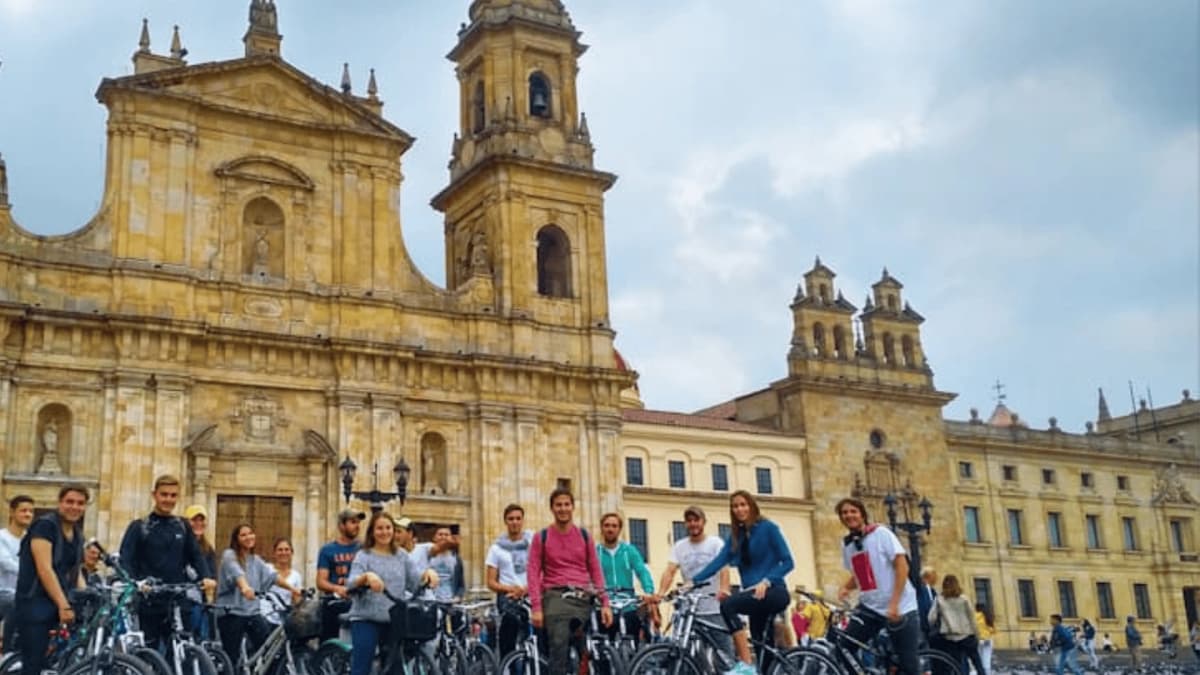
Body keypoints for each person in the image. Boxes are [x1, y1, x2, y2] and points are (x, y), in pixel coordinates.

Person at [693, 490, 794, 675]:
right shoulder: (736, 537)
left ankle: (745, 664)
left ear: (751, 506)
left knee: (728, 605)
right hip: (755, 596)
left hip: (774, 591)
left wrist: (767, 581)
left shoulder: (768, 528)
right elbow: (718, 561)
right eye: (735, 506)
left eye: (743, 505)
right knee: (763, 650)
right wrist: (693, 581)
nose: (739, 509)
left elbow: (788, 562)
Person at [118, 475, 217, 649]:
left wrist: (206, 576)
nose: (168, 499)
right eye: (164, 494)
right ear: (154, 495)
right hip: (149, 601)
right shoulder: (139, 527)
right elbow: (126, 560)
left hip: (178, 601)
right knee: (150, 653)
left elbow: (196, 555)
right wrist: (136, 583)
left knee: (182, 652)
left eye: (173, 495)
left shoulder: (183, 526)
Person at [526, 487, 611, 675]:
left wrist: (605, 602)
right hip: (556, 595)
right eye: (558, 505)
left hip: (583, 595)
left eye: (566, 504)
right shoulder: (541, 537)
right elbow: (532, 573)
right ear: (552, 508)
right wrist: (536, 607)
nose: (563, 509)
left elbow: (595, 570)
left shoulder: (584, 536)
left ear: (573, 507)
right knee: (559, 644)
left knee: (596, 646)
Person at [836, 497, 921, 675]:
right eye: (844, 513)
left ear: (862, 515)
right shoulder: (848, 545)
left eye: (853, 511)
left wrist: (894, 603)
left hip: (901, 607)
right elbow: (860, 574)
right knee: (843, 647)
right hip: (870, 608)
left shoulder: (881, 534)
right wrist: (846, 587)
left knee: (908, 666)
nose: (849, 515)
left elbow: (902, 566)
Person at [345, 512, 435, 675]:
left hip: (394, 619)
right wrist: (366, 577)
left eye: (388, 528)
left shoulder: (401, 555)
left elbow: (415, 582)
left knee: (395, 668)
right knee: (362, 666)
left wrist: (428, 575)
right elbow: (350, 584)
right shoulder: (364, 555)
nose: (384, 532)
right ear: (372, 531)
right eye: (379, 528)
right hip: (366, 618)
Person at [15, 484, 87, 675]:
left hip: (56, 602)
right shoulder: (45, 526)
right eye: (70, 501)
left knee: (55, 662)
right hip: (35, 603)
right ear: (60, 503)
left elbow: (75, 571)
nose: (75, 507)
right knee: (33, 664)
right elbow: (44, 568)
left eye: (80, 503)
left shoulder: (77, 534)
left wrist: (85, 595)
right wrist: (64, 605)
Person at [657, 505, 732, 658]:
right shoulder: (680, 546)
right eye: (689, 521)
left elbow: (724, 568)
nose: (693, 524)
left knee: (724, 655)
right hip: (689, 609)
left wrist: (724, 589)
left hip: (714, 608)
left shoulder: (715, 543)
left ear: (703, 522)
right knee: (686, 653)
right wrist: (661, 593)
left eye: (696, 520)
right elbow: (670, 571)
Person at [216, 523, 300, 659]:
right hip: (231, 612)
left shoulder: (256, 560)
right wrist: (245, 588)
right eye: (243, 535)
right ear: (236, 539)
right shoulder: (229, 555)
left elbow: (273, 577)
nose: (248, 537)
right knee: (232, 656)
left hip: (252, 612)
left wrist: (293, 589)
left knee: (267, 648)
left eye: (250, 533)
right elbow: (237, 573)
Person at [597, 512, 655, 644]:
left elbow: (642, 571)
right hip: (605, 603)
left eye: (614, 526)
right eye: (607, 525)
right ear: (602, 528)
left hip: (627, 602)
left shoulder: (629, 550)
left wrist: (648, 591)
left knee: (636, 632)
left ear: (619, 529)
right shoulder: (596, 552)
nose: (610, 529)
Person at [485, 504, 532, 660]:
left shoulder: (533, 544)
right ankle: (507, 666)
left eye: (518, 518)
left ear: (523, 520)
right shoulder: (496, 549)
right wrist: (512, 589)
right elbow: (491, 582)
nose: (515, 522)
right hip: (508, 596)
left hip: (530, 594)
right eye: (511, 519)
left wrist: (526, 589)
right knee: (509, 630)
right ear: (505, 521)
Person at [315, 508, 365, 642]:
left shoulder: (364, 549)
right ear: (342, 525)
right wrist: (337, 589)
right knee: (330, 644)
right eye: (353, 522)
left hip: (359, 605)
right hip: (335, 604)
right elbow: (320, 581)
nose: (357, 526)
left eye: (358, 522)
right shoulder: (327, 550)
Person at [927, 575, 983, 675]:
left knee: (957, 664)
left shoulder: (939, 599)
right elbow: (972, 618)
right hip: (967, 635)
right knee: (977, 662)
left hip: (950, 637)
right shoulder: (964, 599)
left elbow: (931, 618)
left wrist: (938, 625)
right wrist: (977, 634)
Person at [0, 495, 33, 652]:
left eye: (31, 511)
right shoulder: (2, 537)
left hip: (23, 592)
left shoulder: (31, 539)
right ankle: (8, 650)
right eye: (23, 510)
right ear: (12, 512)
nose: (28, 514)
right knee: (17, 602)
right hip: (3, 592)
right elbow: (6, 563)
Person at [183, 504, 217, 639]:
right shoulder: (179, 546)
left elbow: (212, 574)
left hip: (202, 600)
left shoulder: (208, 549)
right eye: (194, 520)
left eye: (201, 520)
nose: (198, 524)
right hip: (183, 600)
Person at [263, 538, 303, 625]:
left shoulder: (296, 576)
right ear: (274, 553)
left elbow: (296, 600)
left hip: (282, 620)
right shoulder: (267, 568)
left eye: (287, 550)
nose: (283, 553)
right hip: (264, 616)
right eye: (280, 550)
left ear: (292, 553)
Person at [917, 567, 938, 639]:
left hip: (931, 627)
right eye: (934, 576)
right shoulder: (919, 589)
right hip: (922, 626)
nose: (936, 579)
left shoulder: (933, 591)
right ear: (928, 577)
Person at [975, 602, 995, 675]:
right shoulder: (988, 616)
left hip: (978, 640)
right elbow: (992, 630)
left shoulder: (974, 616)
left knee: (979, 659)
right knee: (987, 660)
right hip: (988, 640)